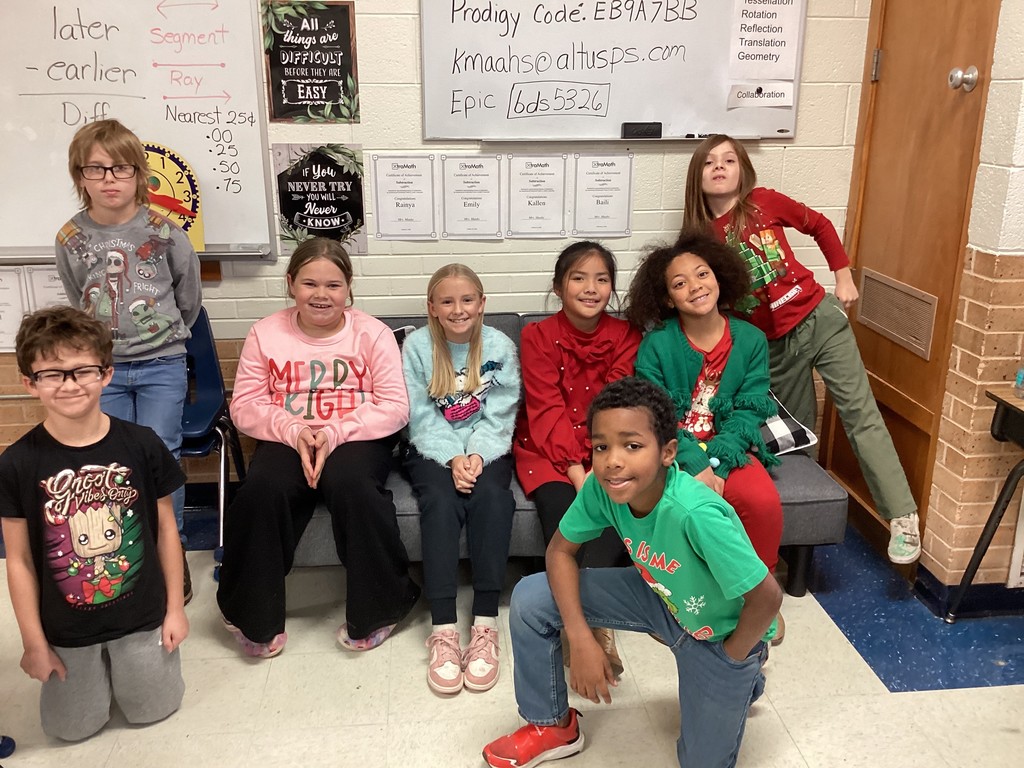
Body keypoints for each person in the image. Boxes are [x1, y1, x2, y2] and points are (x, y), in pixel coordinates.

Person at [482, 377, 782, 768]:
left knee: (701, 762)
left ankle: (743, 679)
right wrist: (581, 637)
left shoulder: (696, 514)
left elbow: (767, 598)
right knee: (530, 599)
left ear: (668, 452)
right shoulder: (603, 487)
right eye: (601, 446)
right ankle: (551, 727)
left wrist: (730, 657)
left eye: (632, 445)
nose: (612, 460)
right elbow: (560, 552)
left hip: (722, 631)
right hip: (661, 597)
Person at [684, 134, 921, 564]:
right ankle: (795, 544)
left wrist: (844, 277)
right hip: (772, 348)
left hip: (820, 320)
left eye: (729, 160)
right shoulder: (700, 239)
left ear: (742, 170)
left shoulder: (764, 202)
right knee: (791, 439)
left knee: (859, 413)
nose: (719, 167)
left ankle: (902, 517)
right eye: (709, 162)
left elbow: (819, 225)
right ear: (697, 177)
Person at [216, 237, 420, 659]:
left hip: (355, 433)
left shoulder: (373, 333)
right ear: (291, 284)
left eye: (333, 285)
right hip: (286, 433)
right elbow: (245, 406)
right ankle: (251, 615)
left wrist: (333, 433)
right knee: (261, 490)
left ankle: (381, 608)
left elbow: (396, 408)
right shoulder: (265, 332)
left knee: (353, 486)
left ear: (349, 289)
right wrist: (294, 431)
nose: (321, 295)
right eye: (310, 284)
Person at [0, 307, 188, 741]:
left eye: (81, 370)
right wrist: (34, 642)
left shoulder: (141, 445)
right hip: (66, 630)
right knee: (71, 731)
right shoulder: (16, 464)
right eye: (51, 374)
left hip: (142, 619)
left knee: (154, 712)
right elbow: (19, 562)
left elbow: (164, 531)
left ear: (106, 374)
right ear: (29, 383)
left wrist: (175, 609)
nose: (69, 384)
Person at [54, 119, 203, 598]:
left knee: (161, 453)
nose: (109, 179)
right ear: (80, 177)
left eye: (120, 168)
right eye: (96, 170)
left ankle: (170, 554)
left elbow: (188, 298)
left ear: (139, 174)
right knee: (112, 463)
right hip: (105, 369)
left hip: (162, 362)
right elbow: (78, 295)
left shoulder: (164, 232)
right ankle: (126, 556)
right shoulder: (71, 237)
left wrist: (160, 336)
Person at [626, 234, 785, 640]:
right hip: (672, 453)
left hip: (729, 447)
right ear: (666, 299)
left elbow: (751, 406)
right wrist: (694, 464)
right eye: (680, 283)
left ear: (719, 277)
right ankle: (695, 596)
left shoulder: (749, 339)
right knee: (684, 510)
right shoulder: (657, 344)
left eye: (702, 274)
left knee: (761, 502)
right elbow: (653, 413)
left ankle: (760, 595)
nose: (695, 286)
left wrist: (716, 460)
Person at [513, 241, 642, 676]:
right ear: (558, 286)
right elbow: (545, 408)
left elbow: (615, 406)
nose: (591, 288)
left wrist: (599, 463)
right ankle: (577, 625)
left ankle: (595, 624)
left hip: (605, 448)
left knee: (612, 505)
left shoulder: (625, 336)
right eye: (579, 278)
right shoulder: (537, 335)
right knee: (563, 508)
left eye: (602, 279)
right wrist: (577, 471)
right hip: (546, 449)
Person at [401, 264, 521, 694]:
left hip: (486, 449)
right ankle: (444, 628)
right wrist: (453, 456)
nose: (458, 309)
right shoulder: (416, 346)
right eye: (447, 301)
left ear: (482, 303)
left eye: (467, 299)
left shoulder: (499, 346)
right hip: (432, 449)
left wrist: (476, 455)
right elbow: (417, 415)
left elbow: (502, 412)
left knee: (494, 500)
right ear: (431, 307)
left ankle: (485, 623)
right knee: (441, 503)